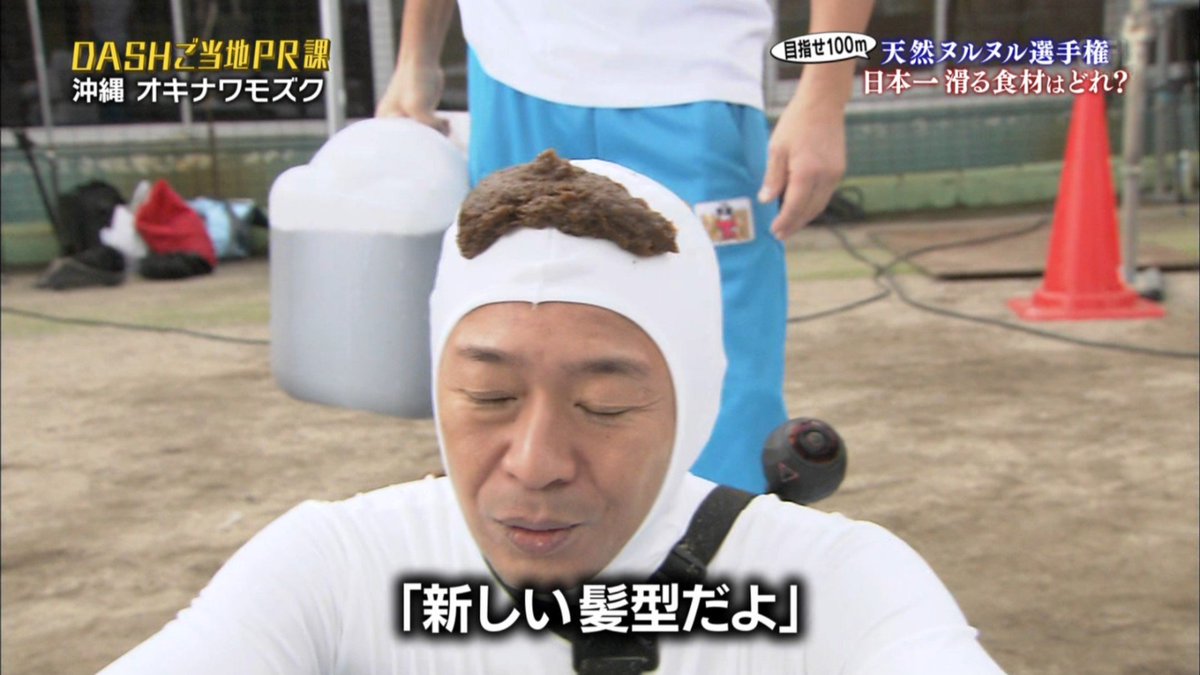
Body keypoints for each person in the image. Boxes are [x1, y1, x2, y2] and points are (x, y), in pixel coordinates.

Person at [100, 153, 1005, 674]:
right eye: (488, 396)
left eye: (604, 404)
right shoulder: (335, 569)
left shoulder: (836, 583)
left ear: (696, 397)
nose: (534, 461)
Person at [376, 0, 875, 494]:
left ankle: (716, 536)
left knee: (721, 361)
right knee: (510, 345)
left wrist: (825, 93)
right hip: (510, 70)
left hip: (692, 77)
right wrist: (416, 57)